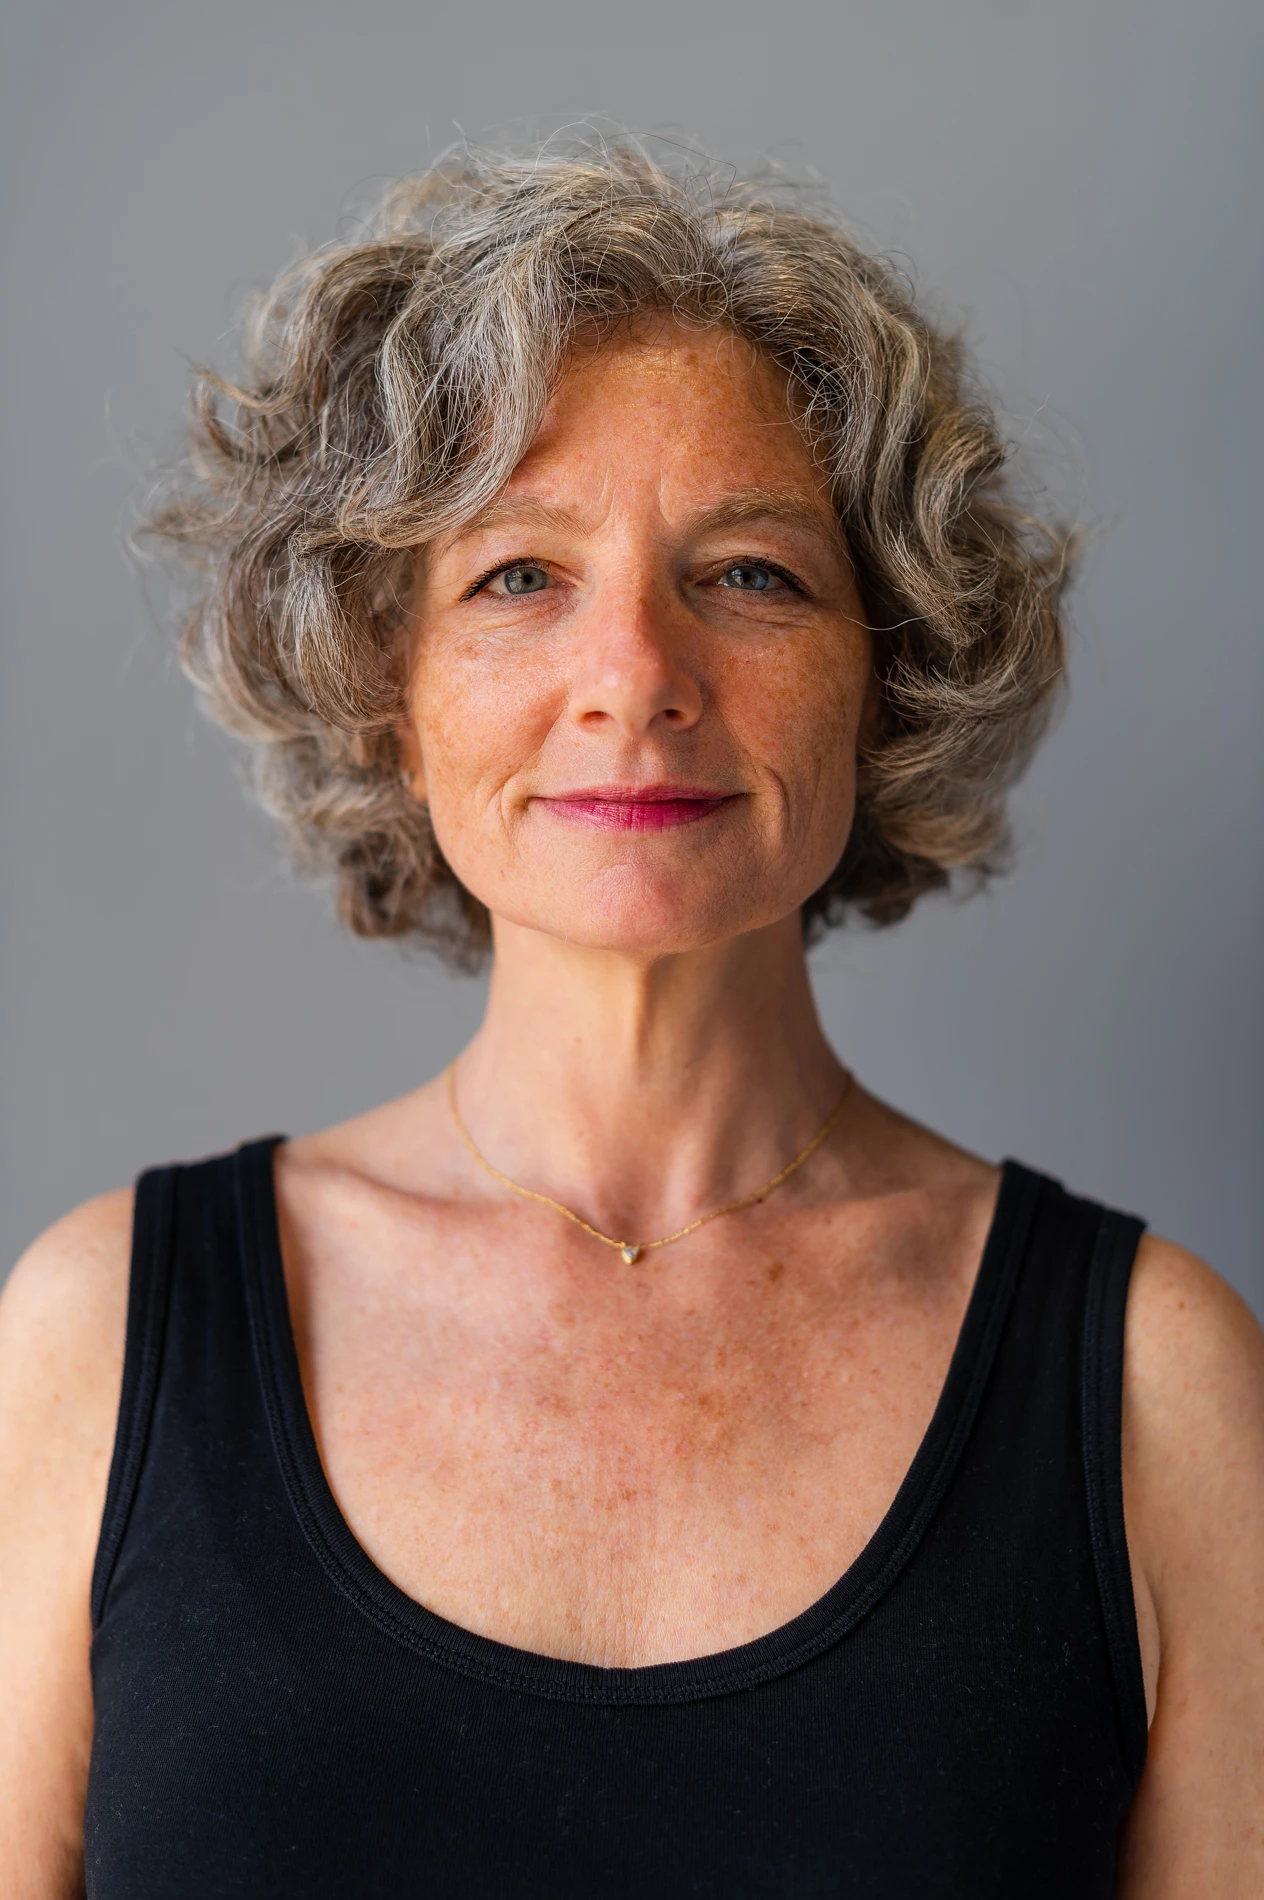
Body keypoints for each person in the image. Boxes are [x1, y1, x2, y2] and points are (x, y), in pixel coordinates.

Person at [1, 141, 1261, 1899]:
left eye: (749, 574)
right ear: (386, 692)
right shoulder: (99, 1337)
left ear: (889, 671)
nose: (636, 677)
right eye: (519, 576)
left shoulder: (1156, 1388)